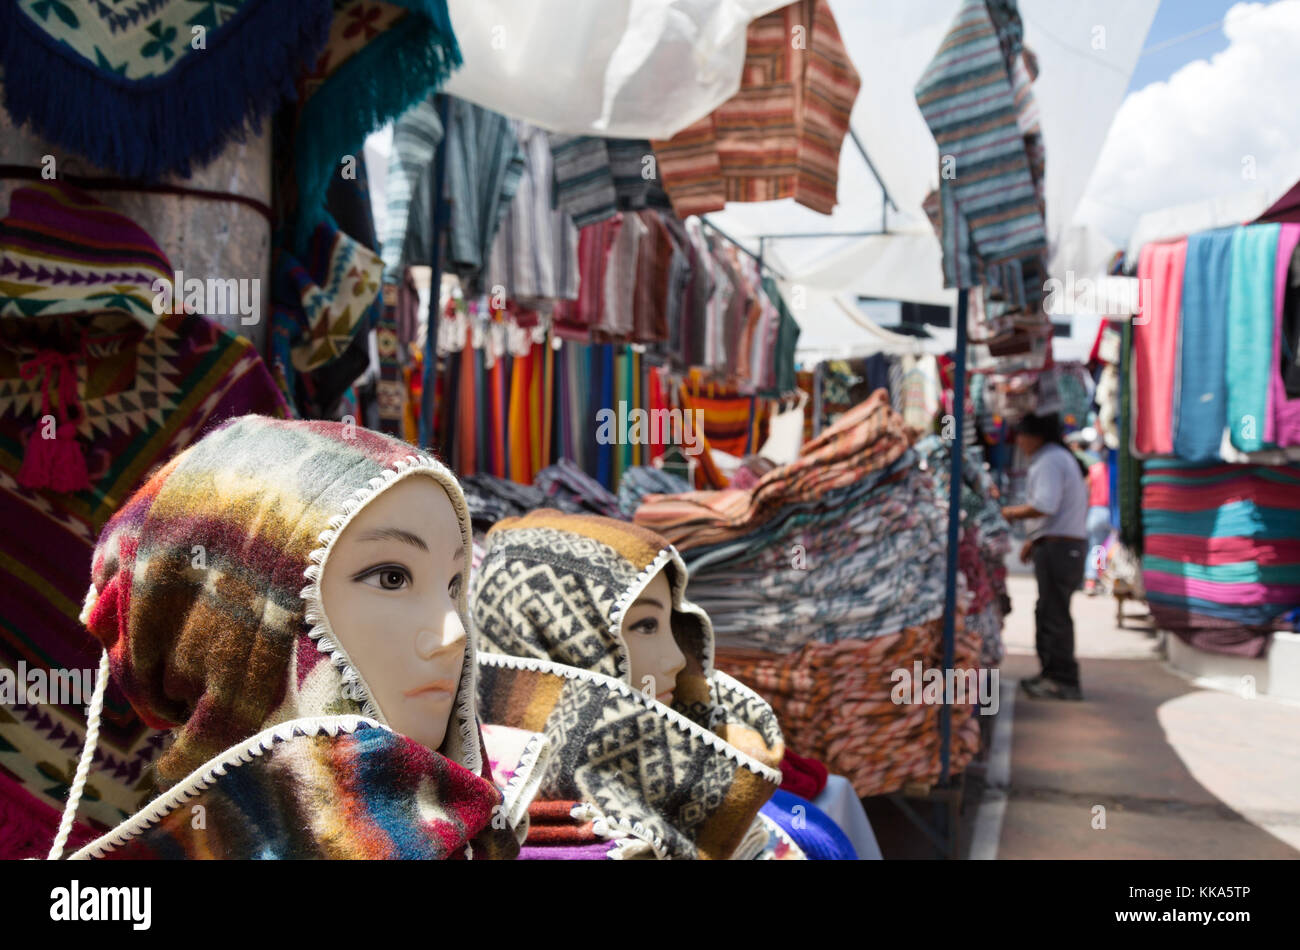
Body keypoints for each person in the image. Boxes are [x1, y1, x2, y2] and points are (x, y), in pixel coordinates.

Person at [1001, 412, 1089, 701]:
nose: (1019, 443)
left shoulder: (1049, 460)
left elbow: (1044, 505)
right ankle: (1051, 675)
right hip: (1058, 545)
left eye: (1022, 436)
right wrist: (1032, 539)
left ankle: (1062, 680)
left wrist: (1008, 513)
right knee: (1050, 611)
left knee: (1054, 614)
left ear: (1035, 436)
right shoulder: (1055, 457)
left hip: (1060, 548)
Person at [1084, 443, 1112, 596]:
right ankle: (1098, 578)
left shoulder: (1094, 471)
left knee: (1094, 548)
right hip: (1109, 511)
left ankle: (1091, 580)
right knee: (1101, 549)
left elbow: (1085, 490)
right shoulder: (1115, 472)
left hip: (1095, 511)